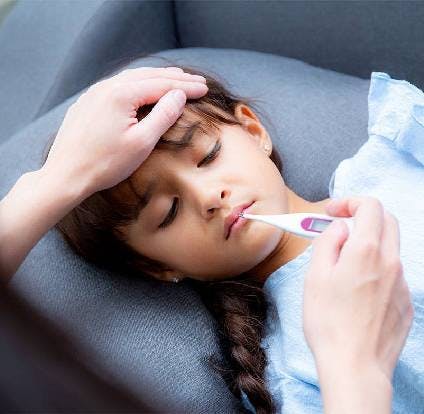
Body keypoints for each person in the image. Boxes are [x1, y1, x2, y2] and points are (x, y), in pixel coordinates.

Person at [0, 66, 413, 413]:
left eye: (209, 156)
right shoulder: (296, 373)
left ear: (253, 130)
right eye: (169, 213)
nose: (207, 197)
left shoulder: (399, 142)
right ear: (157, 266)